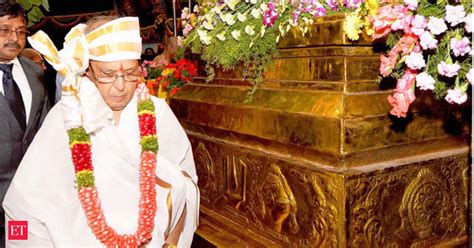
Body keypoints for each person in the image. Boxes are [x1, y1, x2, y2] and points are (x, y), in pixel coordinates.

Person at [4, 16, 199, 247]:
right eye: (107, 74)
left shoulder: (157, 113)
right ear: (88, 71)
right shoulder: (68, 117)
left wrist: (172, 242)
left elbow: (187, 185)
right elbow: (22, 203)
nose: (120, 85)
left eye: (129, 73)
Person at [0, 2, 50, 246]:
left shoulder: (35, 73)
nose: (14, 38)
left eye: (20, 31)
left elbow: (46, 130)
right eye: (5, 30)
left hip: (27, 200)